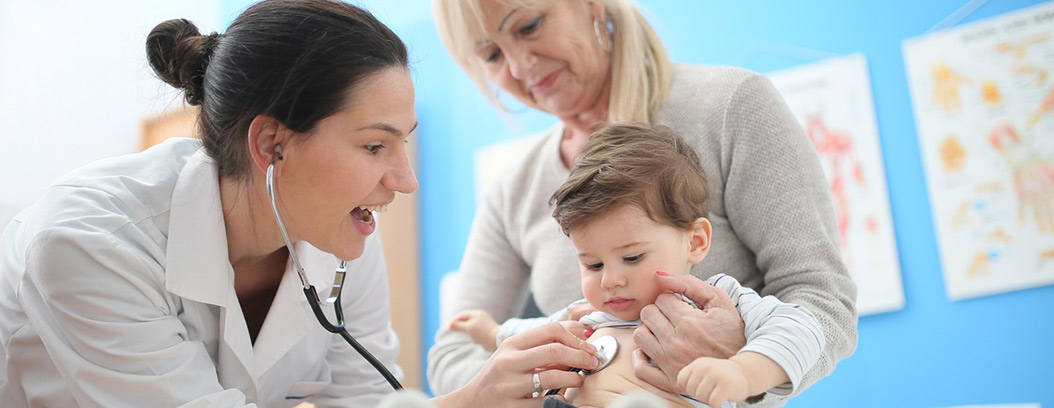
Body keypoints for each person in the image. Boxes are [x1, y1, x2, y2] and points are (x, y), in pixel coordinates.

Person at [0, 1, 600, 407]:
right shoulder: (90, 241)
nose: (406, 180)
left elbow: (363, 398)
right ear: (271, 144)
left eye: (404, 144)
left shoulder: (338, 241)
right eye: (374, 145)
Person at [427, 0, 858, 405]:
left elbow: (824, 300)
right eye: (491, 56)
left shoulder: (730, 106)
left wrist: (744, 367)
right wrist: (543, 389)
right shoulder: (513, 190)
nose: (519, 67)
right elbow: (453, 348)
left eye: (529, 26)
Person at [449, 123, 826, 408]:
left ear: (695, 242)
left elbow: (803, 330)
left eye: (632, 258)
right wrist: (491, 331)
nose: (611, 280)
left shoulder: (717, 302)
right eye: (593, 264)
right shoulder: (585, 317)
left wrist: (742, 371)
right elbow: (532, 336)